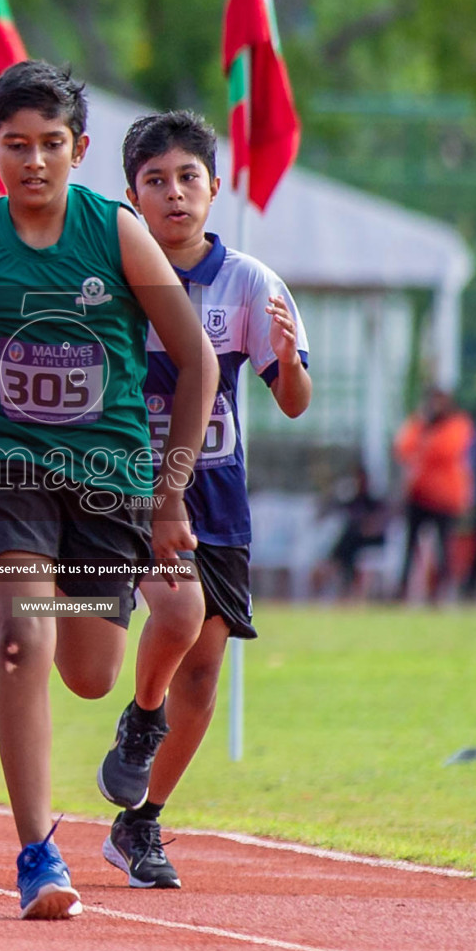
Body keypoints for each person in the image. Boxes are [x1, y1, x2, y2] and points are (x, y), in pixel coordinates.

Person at [0, 61, 216, 920]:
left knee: (86, 668)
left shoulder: (115, 233)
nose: (34, 161)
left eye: (51, 144)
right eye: (16, 146)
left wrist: (171, 494)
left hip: (107, 481)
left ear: (78, 149)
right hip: (5, 472)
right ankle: (37, 854)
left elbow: (195, 358)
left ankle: (123, 710)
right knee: (18, 642)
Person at [97, 110, 310, 890]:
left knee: (204, 672)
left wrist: (287, 361)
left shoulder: (249, 283)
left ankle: (140, 821)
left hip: (217, 497)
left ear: (215, 188)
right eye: (156, 181)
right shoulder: (112, 280)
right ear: (132, 197)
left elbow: (293, 401)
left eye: (189, 177)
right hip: (128, 492)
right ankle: (139, 719)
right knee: (177, 612)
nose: (175, 193)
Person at [393, 388, 473, 602]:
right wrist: (419, 423)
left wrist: (423, 444)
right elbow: (402, 447)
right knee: (410, 547)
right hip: (419, 495)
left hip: (445, 498)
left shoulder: (457, 424)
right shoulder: (421, 425)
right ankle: (402, 591)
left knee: (444, 548)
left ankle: (444, 593)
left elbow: (445, 450)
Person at [322, 464, 390, 601]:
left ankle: (345, 584)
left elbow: (381, 520)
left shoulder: (373, 501)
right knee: (348, 541)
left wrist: (370, 527)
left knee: (348, 542)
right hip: (355, 541)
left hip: (372, 539)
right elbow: (329, 509)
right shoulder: (352, 500)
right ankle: (345, 583)